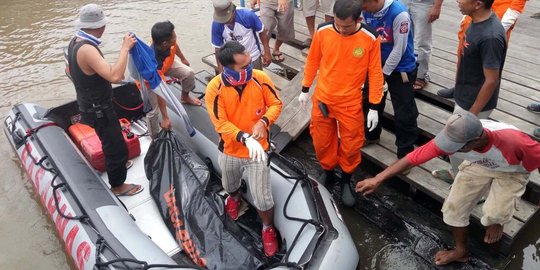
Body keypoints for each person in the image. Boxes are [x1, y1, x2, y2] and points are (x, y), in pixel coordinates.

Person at [356, 112, 540, 265]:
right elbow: (414, 157)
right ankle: (461, 251)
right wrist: (378, 178)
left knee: (494, 213)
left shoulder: (514, 141)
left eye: (455, 148)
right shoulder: (457, 134)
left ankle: (497, 221)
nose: (449, 151)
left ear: (476, 140)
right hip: (480, 164)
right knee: (453, 208)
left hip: (513, 170)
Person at [298, 0, 384, 207]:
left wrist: (374, 106)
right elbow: (312, 60)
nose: (342, 30)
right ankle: (327, 171)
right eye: (338, 25)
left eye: (347, 26)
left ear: (358, 20)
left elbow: (375, 73)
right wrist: (305, 88)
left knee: (351, 144)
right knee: (321, 140)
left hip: (350, 102)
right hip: (324, 99)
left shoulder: (370, 38)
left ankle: (346, 178)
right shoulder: (323, 31)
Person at [205, 41, 283, 257]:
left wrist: (264, 122)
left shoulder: (260, 78)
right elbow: (220, 123)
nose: (249, 69)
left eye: (249, 63)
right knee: (229, 183)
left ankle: (267, 228)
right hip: (230, 149)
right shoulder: (214, 88)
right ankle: (234, 197)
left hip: (258, 150)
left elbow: (276, 104)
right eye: (243, 67)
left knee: (263, 198)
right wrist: (243, 136)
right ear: (226, 68)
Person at [68, 4, 142, 196]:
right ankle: (118, 185)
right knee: (116, 147)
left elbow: (69, 70)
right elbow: (115, 76)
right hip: (98, 109)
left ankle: (117, 165)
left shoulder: (75, 41)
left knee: (110, 138)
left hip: (88, 103)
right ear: (101, 26)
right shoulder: (87, 49)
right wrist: (125, 48)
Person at [432, 0, 507, 182]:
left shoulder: (490, 37)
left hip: (475, 104)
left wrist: (471, 116)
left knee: (468, 146)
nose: (457, 0)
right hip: (464, 96)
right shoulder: (474, 20)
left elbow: (491, 80)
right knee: (457, 142)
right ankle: (455, 173)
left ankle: (473, 186)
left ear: (478, 4)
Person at [362, 0, 419, 159]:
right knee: (371, 101)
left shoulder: (399, 14)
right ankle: (371, 135)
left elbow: (399, 49)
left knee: (404, 111)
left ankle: (406, 152)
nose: (363, 9)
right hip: (376, 63)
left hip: (401, 68)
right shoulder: (366, 10)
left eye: (365, 6)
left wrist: (382, 74)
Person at [437, 0, 526, 98]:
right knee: (463, 56)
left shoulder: (494, 33)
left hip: (496, 24)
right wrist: (466, 16)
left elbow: (516, 7)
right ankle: (460, 87)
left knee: (486, 65)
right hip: (474, 17)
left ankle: (481, 96)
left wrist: (499, 29)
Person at [144, 21, 201, 139]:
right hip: (150, 80)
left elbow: (175, 46)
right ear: (165, 43)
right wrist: (165, 118)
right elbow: (161, 92)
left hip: (167, 65)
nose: (176, 37)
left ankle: (185, 97)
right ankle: (155, 137)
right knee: (153, 111)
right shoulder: (153, 61)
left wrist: (183, 58)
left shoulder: (167, 41)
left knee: (188, 72)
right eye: (174, 36)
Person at [212, 0, 272, 73]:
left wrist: (267, 51)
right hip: (233, 62)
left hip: (252, 56)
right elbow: (218, 48)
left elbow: (262, 31)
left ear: (233, 12)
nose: (225, 22)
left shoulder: (248, 15)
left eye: (227, 19)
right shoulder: (216, 24)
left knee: (256, 80)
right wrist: (221, 70)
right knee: (236, 83)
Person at [404, 0, 444, 91]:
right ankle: (405, 69)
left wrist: (437, 6)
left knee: (423, 41)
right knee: (403, 37)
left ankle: (421, 76)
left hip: (423, 3)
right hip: (403, 2)